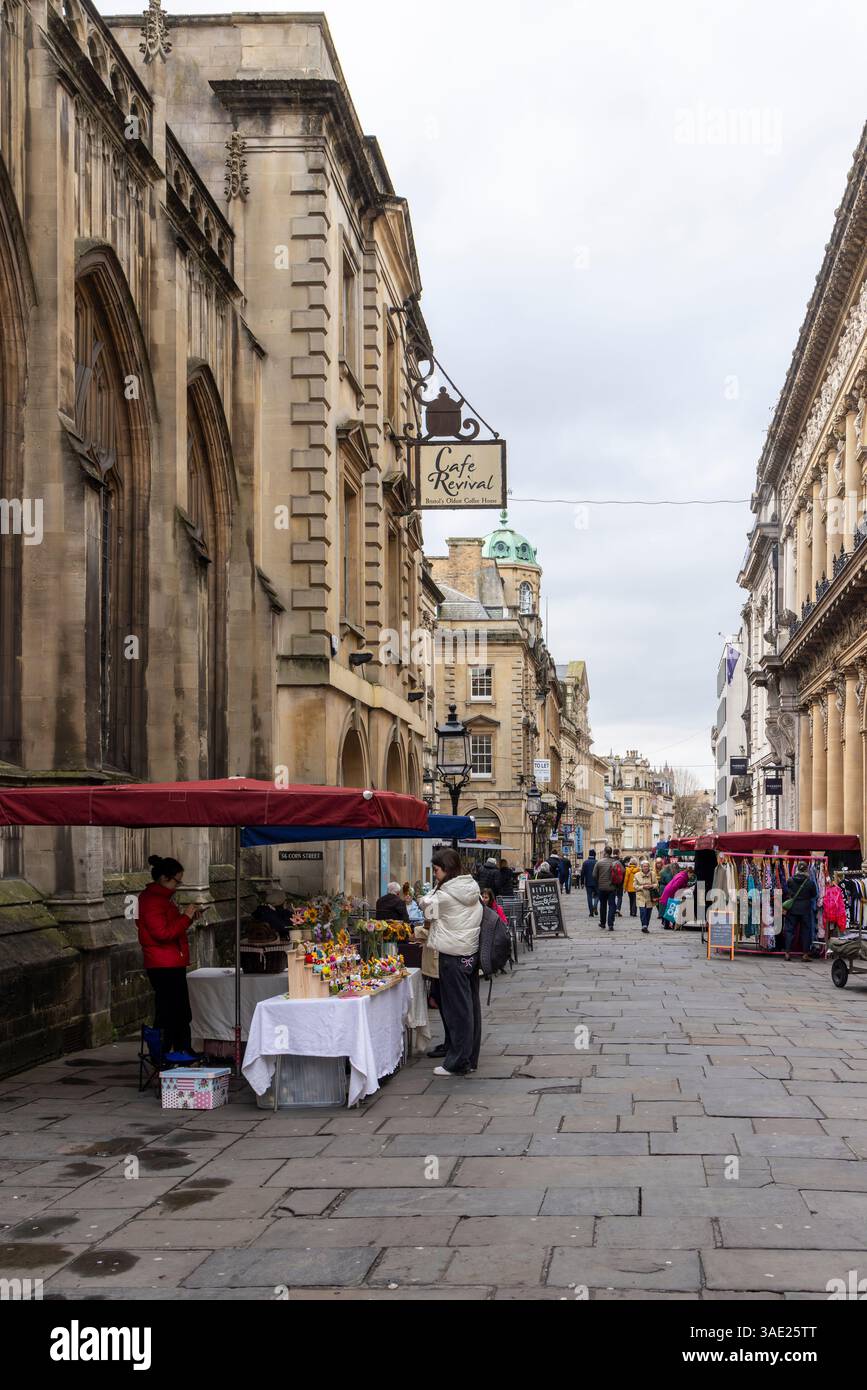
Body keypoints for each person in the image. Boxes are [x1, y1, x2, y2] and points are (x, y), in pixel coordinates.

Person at [421, 848, 483, 1077]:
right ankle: (470, 1058)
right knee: (470, 1008)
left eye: (436, 870)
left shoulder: (445, 896)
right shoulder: (471, 888)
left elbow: (427, 910)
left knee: (457, 1011)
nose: (435, 874)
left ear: (446, 869)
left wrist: (425, 896)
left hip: (452, 955)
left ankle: (457, 1062)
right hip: (470, 953)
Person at [138, 854, 204, 1060]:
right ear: (165, 878)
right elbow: (163, 934)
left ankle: (181, 1049)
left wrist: (189, 918)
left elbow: (173, 928)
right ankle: (163, 1053)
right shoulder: (152, 901)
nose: (178, 886)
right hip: (163, 963)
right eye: (177, 881)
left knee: (180, 1010)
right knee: (169, 1011)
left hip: (170, 961)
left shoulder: (162, 900)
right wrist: (185, 917)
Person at [782, 861, 819, 961]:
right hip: (805, 909)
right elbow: (814, 894)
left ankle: (787, 953)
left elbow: (786, 892)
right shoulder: (810, 882)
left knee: (789, 930)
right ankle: (805, 954)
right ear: (806, 869)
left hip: (793, 908)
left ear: (797, 869)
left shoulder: (790, 880)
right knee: (805, 932)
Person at [593, 846, 619, 930]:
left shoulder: (599, 862)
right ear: (610, 852)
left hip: (602, 888)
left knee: (603, 905)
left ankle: (603, 923)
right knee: (612, 905)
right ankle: (610, 924)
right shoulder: (615, 862)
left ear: (604, 852)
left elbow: (594, 875)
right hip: (612, 887)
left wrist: (599, 880)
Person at [634, 858, 657, 933]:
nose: (646, 867)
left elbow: (657, 884)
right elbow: (634, 886)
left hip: (650, 896)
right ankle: (644, 925)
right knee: (642, 911)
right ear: (641, 867)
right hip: (641, 896)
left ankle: (646, 925)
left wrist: (652, 886)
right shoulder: (637, 875)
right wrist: (642, 887)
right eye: (644, 866)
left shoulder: (653, 874)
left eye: (647, 866)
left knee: (648, 912)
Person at [581, 849, 598, 918]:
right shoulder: (597, 862)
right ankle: (595, 906)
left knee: (589, 896)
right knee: (597, 895)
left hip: (588, 882)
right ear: (595, 855)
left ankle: (591, 912)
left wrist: (582, 883)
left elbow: (582, 873)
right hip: (596, 882)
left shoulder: (585, 863)